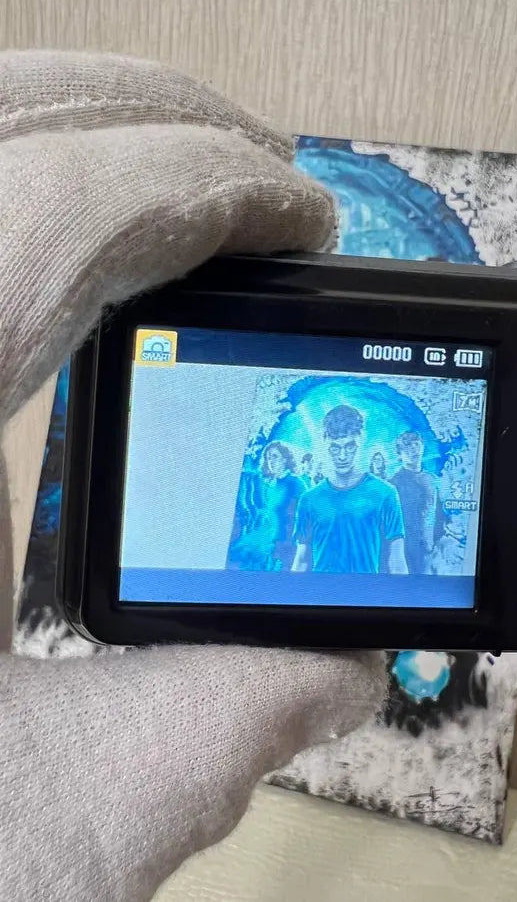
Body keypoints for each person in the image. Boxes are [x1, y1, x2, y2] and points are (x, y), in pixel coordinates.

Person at [0, 51, 382, 901]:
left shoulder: (384, 495)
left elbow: (391, 557)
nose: (342, 451)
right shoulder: (290, 491)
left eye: (352, 440)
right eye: (332, 438)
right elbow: (286, 552)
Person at [291, 405, 408, 574]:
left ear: (361, 439)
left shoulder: (385, 493)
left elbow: (397, 561)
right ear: (324, 441)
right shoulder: (309, 499)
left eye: (350, 446)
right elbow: (302, 561)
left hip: (366, 589)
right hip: (319, 590)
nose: (342, 456)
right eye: (335, 448)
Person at [227, 441, 305, 570]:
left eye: (275, 457)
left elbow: (302, 516)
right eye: (268, 458)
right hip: (265, 541)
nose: (271, 461)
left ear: (285, 459)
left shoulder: (296, 483)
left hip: (284, 542)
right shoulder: (268, 483)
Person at [390, 430, 443, 574]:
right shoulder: (393, 485)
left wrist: (436, 541)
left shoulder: (432, 480)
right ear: (399, 454)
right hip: (404, 552)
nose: (414, 449)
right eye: (408, 447)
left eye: (417, 444)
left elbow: (438, 513)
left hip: (429, 550)